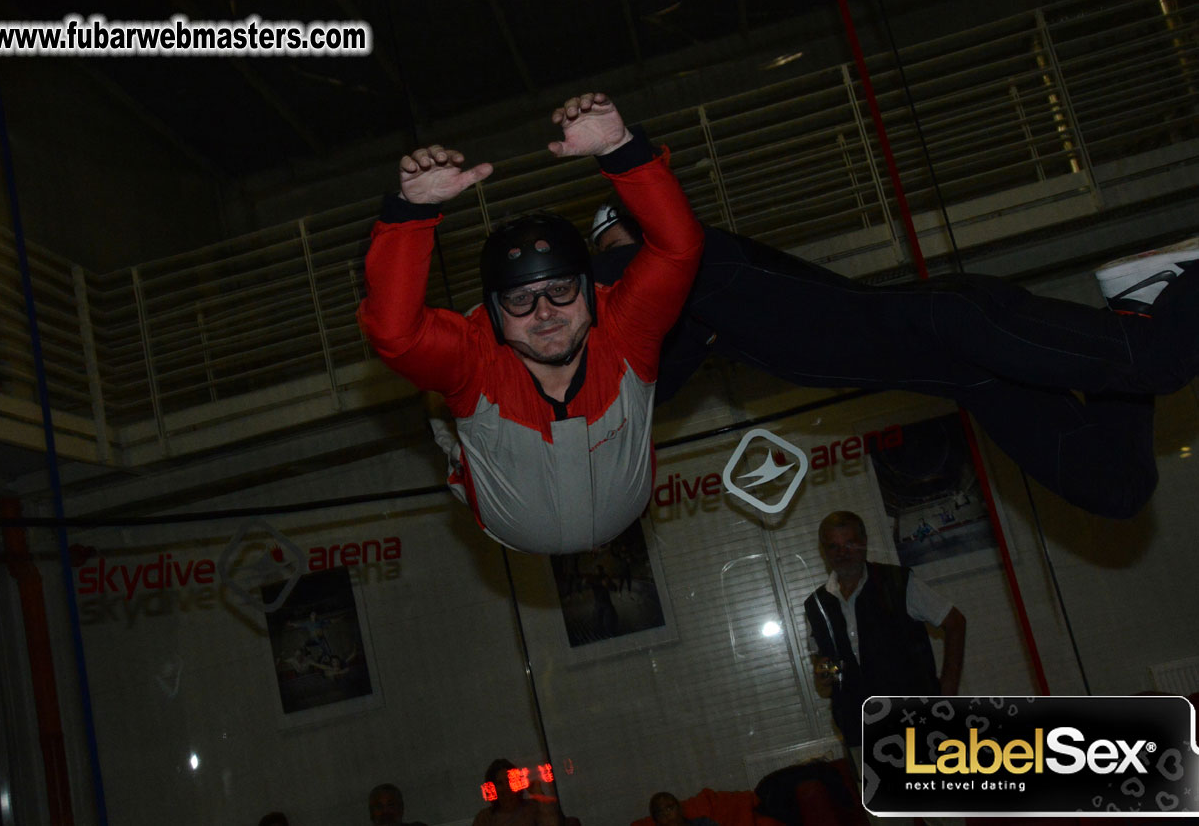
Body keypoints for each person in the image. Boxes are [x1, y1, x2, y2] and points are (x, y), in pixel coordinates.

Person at [590, 202, 1199, 519]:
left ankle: (1156, 306)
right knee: (1117, 488)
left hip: (959, 327)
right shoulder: (698, 321)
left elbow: (620, 337)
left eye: (617, 248)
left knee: (1161, 361)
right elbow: (644, 388)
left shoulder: (691, 265)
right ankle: (1138, 302)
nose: (619, 276)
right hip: (968, 373)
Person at [358, 92, 703, 554]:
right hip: (503, 516)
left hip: (623, 506)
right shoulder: (476, 359)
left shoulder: (622, 329)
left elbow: (678, 249)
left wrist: (622, 149)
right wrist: (411, 214)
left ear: (587, 288)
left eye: (560, 291)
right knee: (438, 398)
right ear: (495, 311)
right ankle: (452, 437)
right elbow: (395, 334)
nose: (544, 313)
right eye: (520, 299)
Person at [803, 510, 965, 826]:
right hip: (860, 728)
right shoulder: (816, 604)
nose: (843, 552)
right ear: (824, 552)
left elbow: (955, 622)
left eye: (850, 543)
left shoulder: (898, 581)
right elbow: (831, 660)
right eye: (834, 546)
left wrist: (947, 689)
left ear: (864, 543)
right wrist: (828, 673)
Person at [473, 759, 562, 826]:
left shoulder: (532, 808)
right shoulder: (485, 818)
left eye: (509, 781)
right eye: (500, 783)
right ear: (492, 788)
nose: (506, 788)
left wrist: (537, 792)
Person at [648, 792, 717, 826]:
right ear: (656, 821)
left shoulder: (703, 823)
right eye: (660, 812)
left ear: (680, 809)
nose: (666, 814)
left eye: (670, 808)